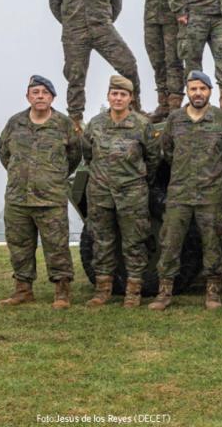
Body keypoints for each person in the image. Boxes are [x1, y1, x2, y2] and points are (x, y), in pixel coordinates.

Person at [148, 71, 222, 312]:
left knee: (212, 243)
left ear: (210, 91)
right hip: (180, 194)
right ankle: (164, 291)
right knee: (170, 242)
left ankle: (213, 292)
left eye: (202, 89)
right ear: (187, 91)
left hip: (211, 195)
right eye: (193, 88)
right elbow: (166, 151)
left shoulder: (220, 119)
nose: (198, 93)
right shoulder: (175, 120)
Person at [0, 75, 81, 309]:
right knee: (19, 246)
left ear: (52, 97)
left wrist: (52, 177)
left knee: (57, 246)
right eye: (35, 92)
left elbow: (74, 156)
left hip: (50, 198)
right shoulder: (15, 123)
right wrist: (20, 175)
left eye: (45, 92)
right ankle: (23, 290)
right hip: (18, 198)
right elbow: (4, 152)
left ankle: (62, 293)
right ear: (28, 97)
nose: (40, 96)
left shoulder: (63, 124)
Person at [49, 0, 142, 131]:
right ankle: (75, 119)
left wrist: (105, 20)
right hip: (74, 32)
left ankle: (135, 108)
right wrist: (70, 21)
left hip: (103, 29)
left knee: (128, 64)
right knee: (75, 76)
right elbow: (55, 2)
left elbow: (116, 1)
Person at [82, 75, 159, 308]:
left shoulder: (142, 125)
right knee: (102, 241)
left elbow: (153, 158)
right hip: (100, 193)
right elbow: (87, 154)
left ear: (130, 98)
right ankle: (102, 290)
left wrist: (138, 180)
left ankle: (133, 292)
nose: (118, 98)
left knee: (134, 242)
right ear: (108, 96)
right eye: (114, 94)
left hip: (132, 194)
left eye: (123, 94)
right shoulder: (95, 124)